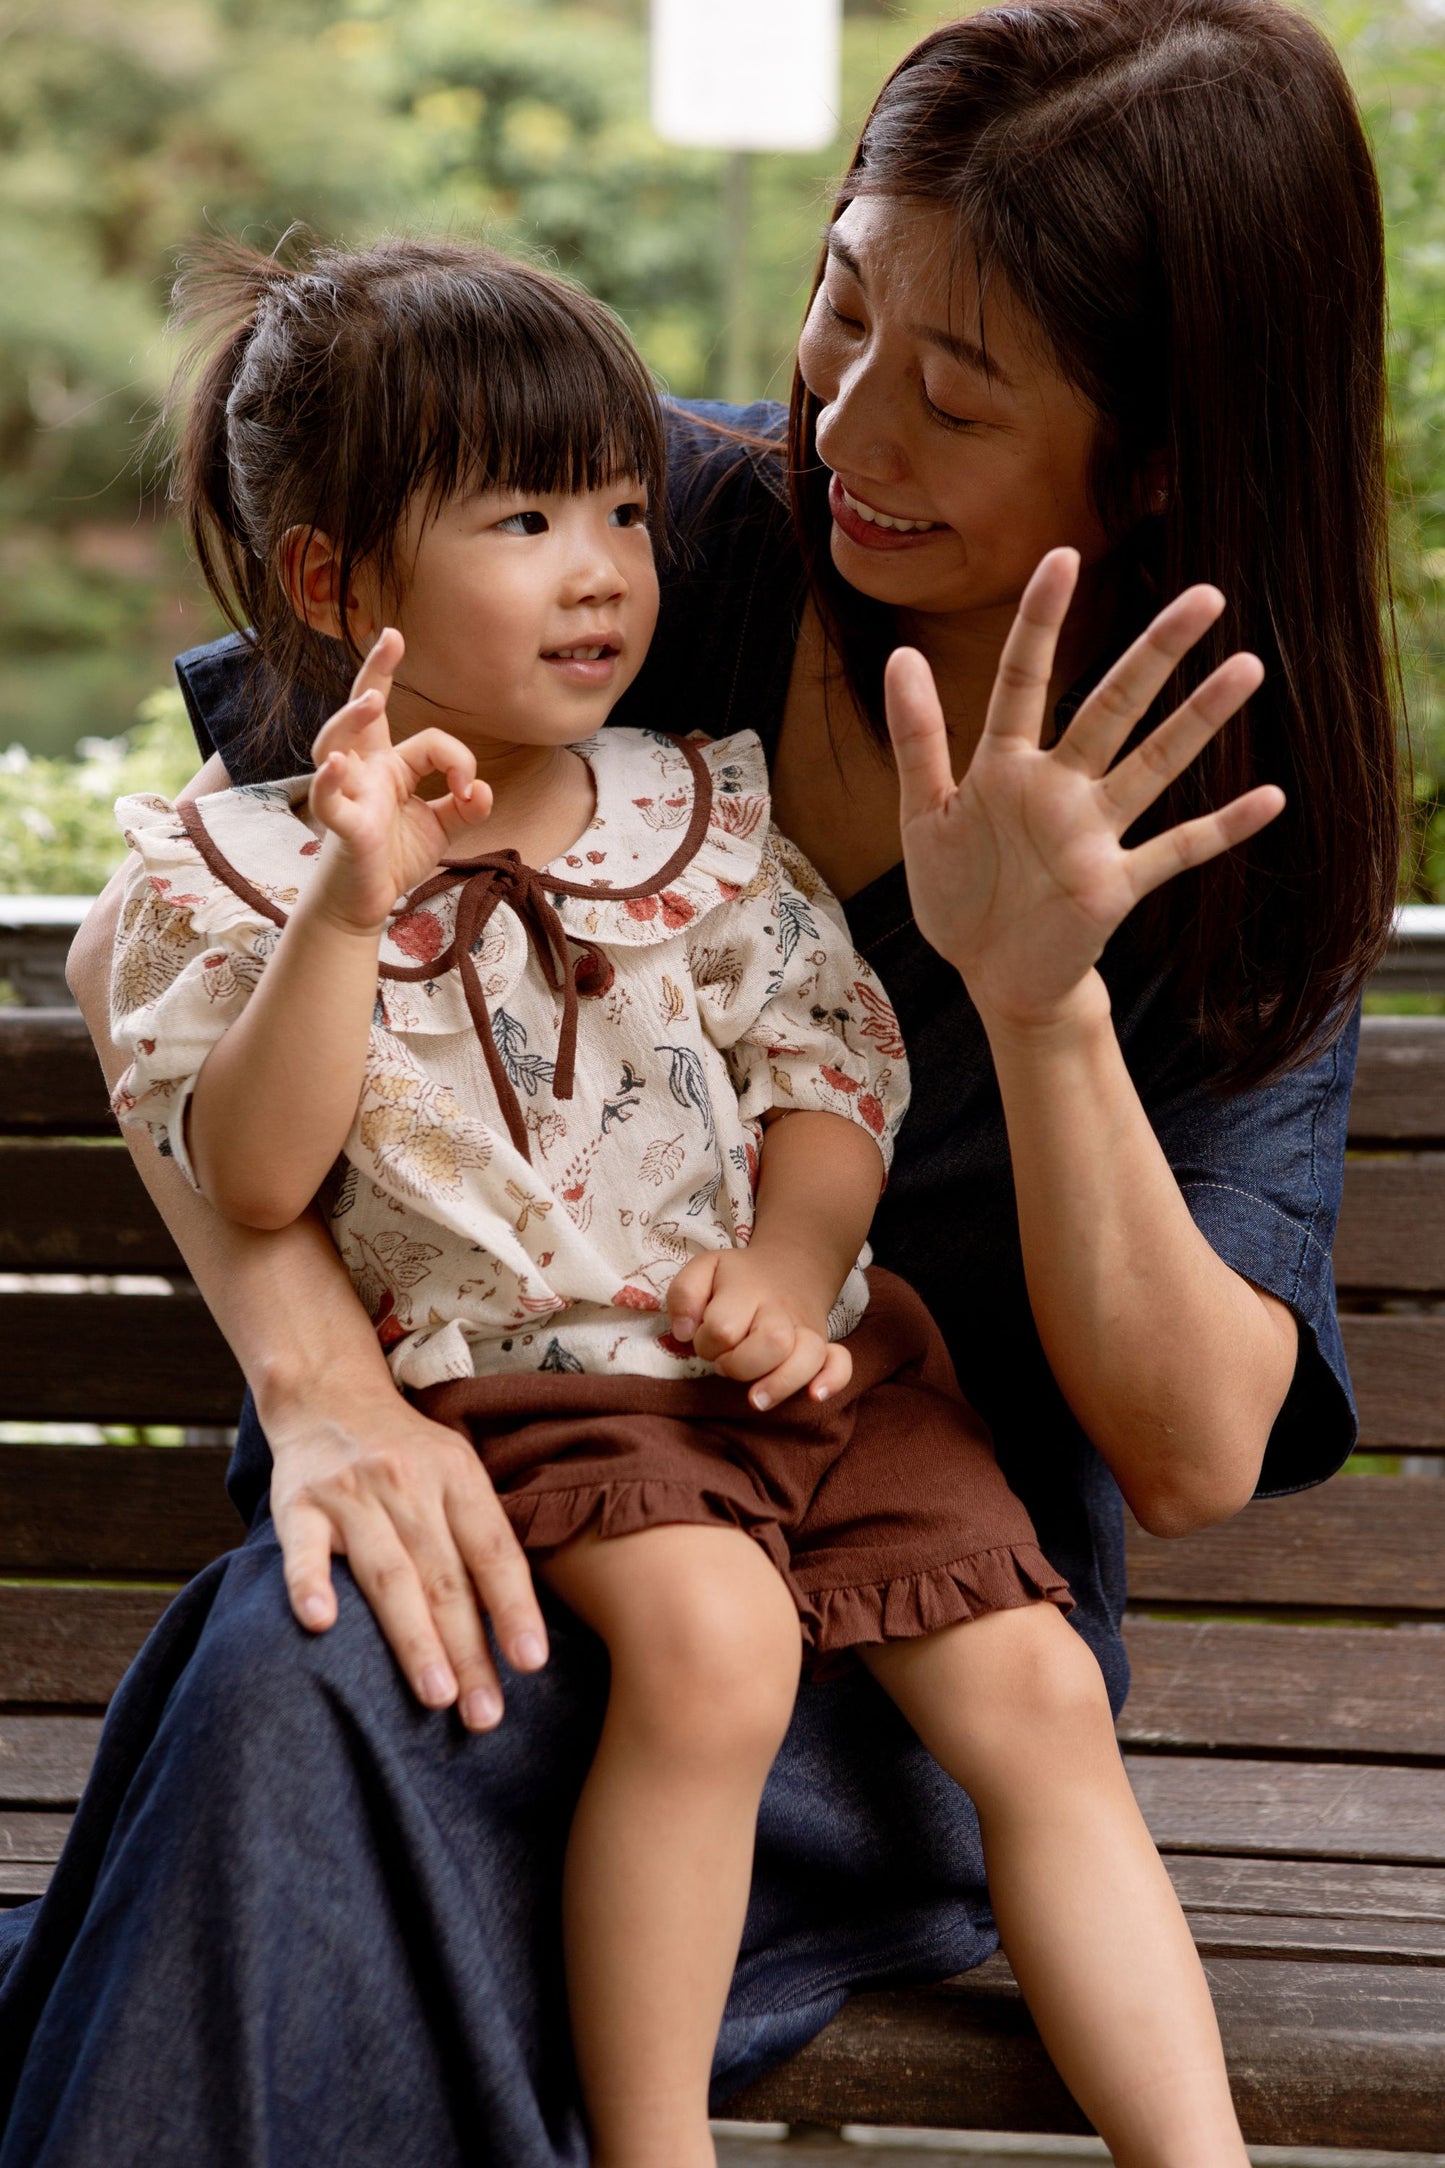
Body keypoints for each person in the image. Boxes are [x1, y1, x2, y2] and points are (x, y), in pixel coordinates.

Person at [0, 3, 1398, 2164]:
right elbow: (147, 943)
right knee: (313, 1685)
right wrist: (321, 1386)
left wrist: (1042, 1013)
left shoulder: (1234, 811)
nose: (845, 418)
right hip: (518, 1478)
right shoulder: (631, 532)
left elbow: (1202, 1445)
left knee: (351, 1765)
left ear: (1157, 460)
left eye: (951, 392)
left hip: (902, 1628)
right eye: (843, 301)